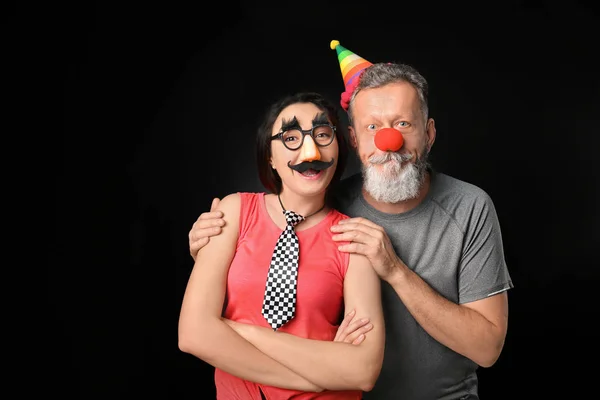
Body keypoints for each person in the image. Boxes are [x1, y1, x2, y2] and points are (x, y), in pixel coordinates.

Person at [186, 41, 514, 400]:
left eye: (403, 123)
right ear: (354, 140)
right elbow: (256, 266)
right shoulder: (324, 202)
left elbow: (487, 348)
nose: (389, 141)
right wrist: (210, 248)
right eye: (373, 127)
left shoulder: (470, 207)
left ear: (430, 133)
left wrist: (394, 270)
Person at [178, 91, 385, 399]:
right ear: (270, 158)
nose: (310, 150)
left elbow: (363, 371)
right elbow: (194, 334)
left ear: (338, 149)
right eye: (291, 138)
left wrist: (238, 330)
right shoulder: (233, 212)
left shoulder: (354, 238)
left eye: (323, 134)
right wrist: (313, 377)